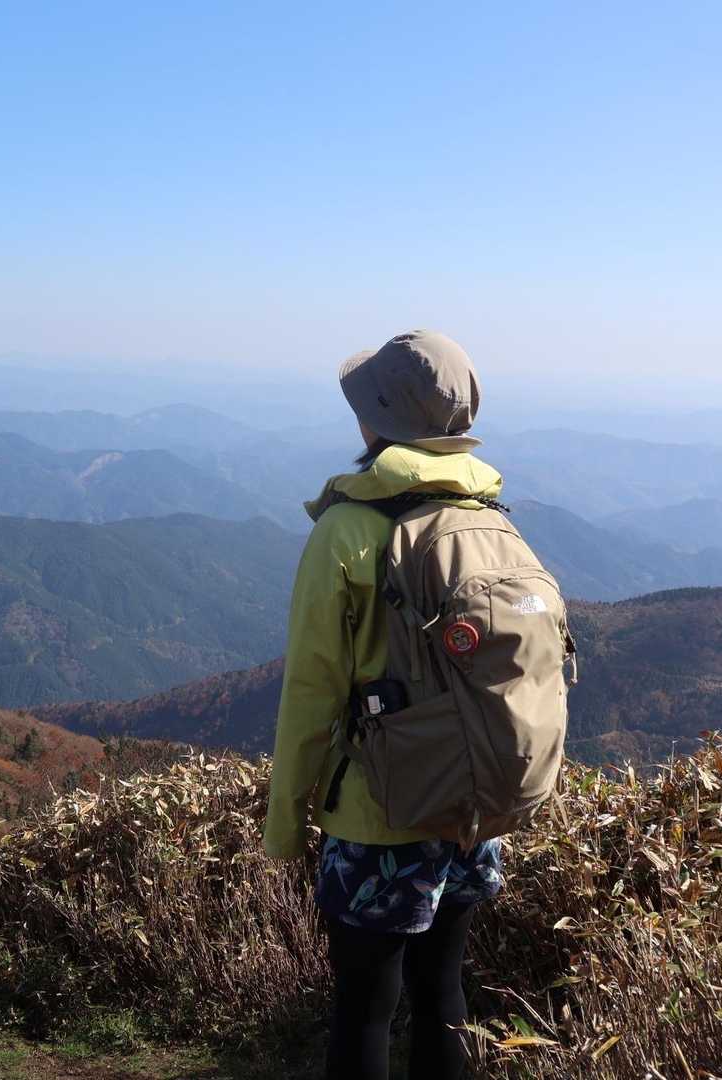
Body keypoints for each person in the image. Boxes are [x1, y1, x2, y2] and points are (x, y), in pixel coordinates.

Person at [263, 331, 507, 1080]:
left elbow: (311, 692)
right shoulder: (490, 520)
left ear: (377, 421)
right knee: (443, 991)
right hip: (471, 812)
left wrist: (285, 823)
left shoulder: (346, 530)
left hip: (378, 813)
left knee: (366, 1007)